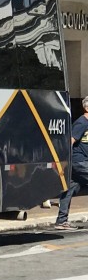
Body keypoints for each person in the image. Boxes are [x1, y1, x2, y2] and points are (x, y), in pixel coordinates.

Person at [56, 95, 88, 230]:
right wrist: (65, 161)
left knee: (71, 188)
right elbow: (71, 141)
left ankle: (61, 221)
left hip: (80, 161)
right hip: (78, 161)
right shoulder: (82, 122)